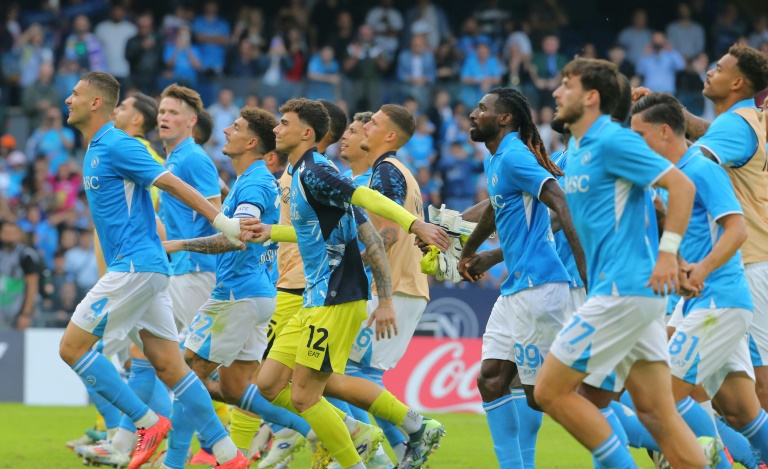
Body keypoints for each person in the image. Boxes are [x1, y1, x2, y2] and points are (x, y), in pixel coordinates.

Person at [240, 98, 448, 469]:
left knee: (308, 394)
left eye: (283, 123)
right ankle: (375, 434)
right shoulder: (304, 172)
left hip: (336, 297)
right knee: (270, 383)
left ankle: (365, 451)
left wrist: (414, 224)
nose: (275, 129)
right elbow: (313, 234)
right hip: (313, 296)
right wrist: (270, 231)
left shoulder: (318, 172)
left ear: (306, 133)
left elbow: (364, 198)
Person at [56, 71, 249, 469]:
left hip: (136, 267)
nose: (67, 100)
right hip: (151, 268)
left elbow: (173, 184)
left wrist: (221, 221)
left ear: (95, 102)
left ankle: (145, 425)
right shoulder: (96, 149)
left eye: (75, 94)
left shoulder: (118, 145)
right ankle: (229, 456)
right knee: (169, 366)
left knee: (72, 348)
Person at [532, 58, 706, 469]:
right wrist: (672, 258)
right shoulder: (578, 146)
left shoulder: (612, 140)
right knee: (656, 414)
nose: (556, 93)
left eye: (566, 85)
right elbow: (652, 206)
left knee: (549, 393)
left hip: (621, 290)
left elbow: (679, 185)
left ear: (591, 97)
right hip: (636, 294)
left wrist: (668, 253)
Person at [162, 106, 324, 466]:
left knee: (185, 375)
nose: (225, 131)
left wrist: (179, 244)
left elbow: (240, 236)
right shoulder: (254, 179)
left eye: (234, 127)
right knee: (235, 389)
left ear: (251, 141)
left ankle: (173, 463)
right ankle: (315, 432)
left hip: (237, 293)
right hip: (260, 293)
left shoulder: (252, 183)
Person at [631, 91, 768, 465]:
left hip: (718, 303)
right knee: (742, 413)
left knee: (657, 402)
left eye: (639, 136)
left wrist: (702, 269)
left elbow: (736, 230)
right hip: (698, 303)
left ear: (663, 132)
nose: (635, 145)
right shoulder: (670, 179)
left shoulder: (702, 169)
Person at [455, 87, 585, 469]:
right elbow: (495, 213)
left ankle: (638, 430)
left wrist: (588, 275)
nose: (473, 113)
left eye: (482, 108)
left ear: (505, 118)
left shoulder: (514, 155)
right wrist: (467, 250)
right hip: (516, 288)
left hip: (541, 287)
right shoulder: (496, 160)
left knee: (541, 395)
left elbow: (560, 202)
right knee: (491, 380)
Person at [347, 104, 433, 467]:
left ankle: (416, 430)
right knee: (361, 375)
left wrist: (348, 265)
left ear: (390, 136)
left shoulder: (385, 172)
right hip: (404, 286)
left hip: (393, 288)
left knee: (349, 374)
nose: (367, 126)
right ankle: (400, 454)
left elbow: (389, 233)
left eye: (375, 124)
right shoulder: (398, 172)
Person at [112, 92, 164, 210]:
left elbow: (152, 202)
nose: (115, 111)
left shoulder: (132, 153)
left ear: (136, 119)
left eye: (123, 108)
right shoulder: (152, 155)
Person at [0, 220, 40, 330]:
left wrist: (26, 314)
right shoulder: (2, 253)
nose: (10, 237)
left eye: (13, 233)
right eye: (6, 233)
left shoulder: (25, 255)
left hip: (17, 313)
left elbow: (32, 286)